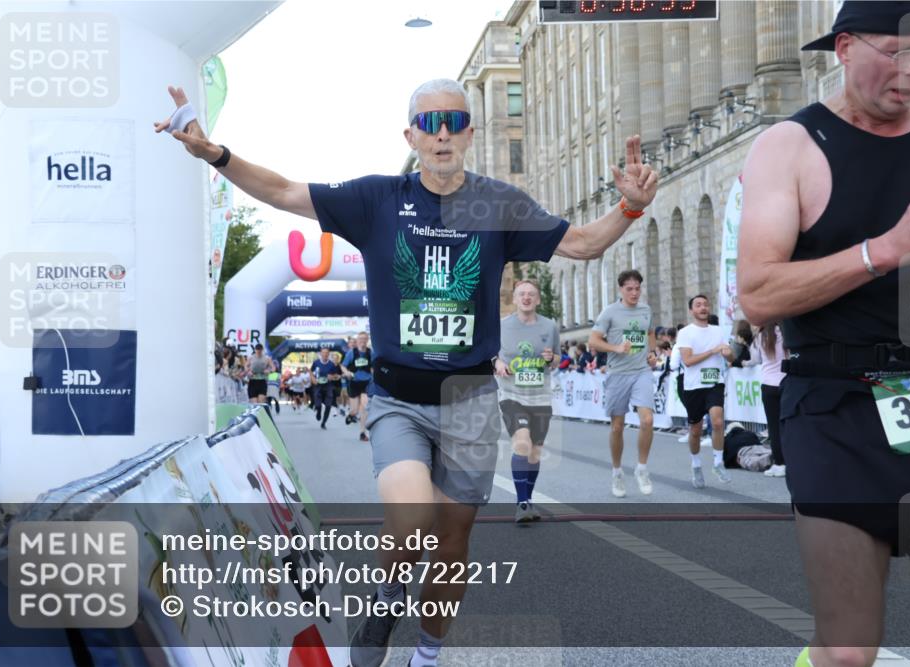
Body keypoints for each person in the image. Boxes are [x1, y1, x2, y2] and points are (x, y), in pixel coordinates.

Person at [157, 76, 657, 667]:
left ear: (470, 132)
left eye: (453, 121)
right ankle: (387, 596)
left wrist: (630, 206)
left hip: (470, 402)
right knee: (413, 518)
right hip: (399, 399)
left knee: (451, 547)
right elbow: (286, 191)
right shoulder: (376, 200)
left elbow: (581, 245)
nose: (441, 132)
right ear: (410, 135)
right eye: (428, 122)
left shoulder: (499, 203)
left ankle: (427, 651)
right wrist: (217, 155)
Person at [737, 3, 910, 665]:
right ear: (843, 47)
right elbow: (757, 294)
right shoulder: (792, 145)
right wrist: (885, 249)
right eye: (897, 52)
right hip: (837, 406)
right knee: (847, 649)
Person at [494, 279, 559, 523]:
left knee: (535, 452)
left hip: (540, 396)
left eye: (531, 294)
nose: (527, 297)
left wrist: (552, 357)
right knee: (522, 442)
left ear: (538, 299)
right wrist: (498, 363)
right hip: (512, 395)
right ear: (514, 299)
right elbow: (491, 354)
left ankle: (527, 500)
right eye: (522, 294)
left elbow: (557, 359)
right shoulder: (501, 326)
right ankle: (521, 503)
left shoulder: (549, 326)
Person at [588, 269, 657, 497]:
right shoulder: (610, 312)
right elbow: (593, 340)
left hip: (641, 372)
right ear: (621, 289)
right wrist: (616, 348)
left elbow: (649, 333)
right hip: (618, 374)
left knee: (647, 420)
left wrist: (652, 352)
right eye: (630, 289)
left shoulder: (646, 310)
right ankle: (617, 472)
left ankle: (642, 468)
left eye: (638, 288)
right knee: (617, 426)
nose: (635, 293)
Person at [675, 295, 734, 488]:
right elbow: (688, 360)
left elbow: (730, 356)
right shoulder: (685, 332)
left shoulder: (718, 330)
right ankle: (696, 465)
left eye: (705, 304)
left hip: (714, 382)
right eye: (698, 305)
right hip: (693, 386)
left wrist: (727, 353)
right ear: (691, 310)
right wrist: (712, 351)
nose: (703, 308)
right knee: (695, 430)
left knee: (717, 422)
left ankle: (718, 462)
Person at [755, 323, 788, 478]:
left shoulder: (761, 335)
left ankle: (779, 463)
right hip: (786, 382)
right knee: (788, 425)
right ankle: (791, 461)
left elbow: (755, 358)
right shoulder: (785, 332)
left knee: (773, 426)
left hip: (768, 383)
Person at [342, 331, 374, 442]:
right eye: (360, 339)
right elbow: (343, 366)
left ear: (367, 340)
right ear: (357, 341)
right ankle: (350, 415)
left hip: (366, 383)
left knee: (365, 406)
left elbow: (375, 366)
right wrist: (346, 372)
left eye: (365, 339)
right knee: (354, 410)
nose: (363, 341)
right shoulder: (352, 353)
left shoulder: (371, 353)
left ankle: (362, 433)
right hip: (354, 382)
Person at [310, 346, 341, 430]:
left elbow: (336, 376)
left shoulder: (331, 364)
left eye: (326, 353)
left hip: (328, 386)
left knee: (328, 405)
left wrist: (333, 377)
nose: (325, 355)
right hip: (318, 386)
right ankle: (318, 411)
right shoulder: (316, 363)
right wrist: (313, 380)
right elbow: (311, 372)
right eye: (323, 353)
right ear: (320, 354)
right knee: (318, 404)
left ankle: (323, 423)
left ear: (328, 354)